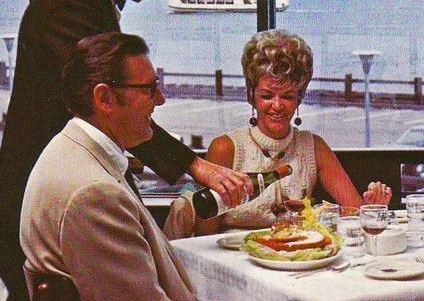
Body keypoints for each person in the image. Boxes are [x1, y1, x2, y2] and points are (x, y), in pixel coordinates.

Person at [0, 0, 251, 301]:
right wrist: (195, 165)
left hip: (54, 198)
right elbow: (116, 108)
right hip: (53, 206)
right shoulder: (71, 4)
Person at [21, 32, 258, 301]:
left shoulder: (70, 151)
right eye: (149, 89)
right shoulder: (92, 194)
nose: (160, 99)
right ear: (104, 98)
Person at [164, 29, 392, 238]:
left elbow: (355, 212)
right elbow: (204, 238)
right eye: (267, 95)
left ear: (299, 98)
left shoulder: (314, 147)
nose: (277, 105)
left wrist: (373, 204)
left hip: (296, 256)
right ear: (252, 96)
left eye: (288, 96)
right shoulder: (226, 148)